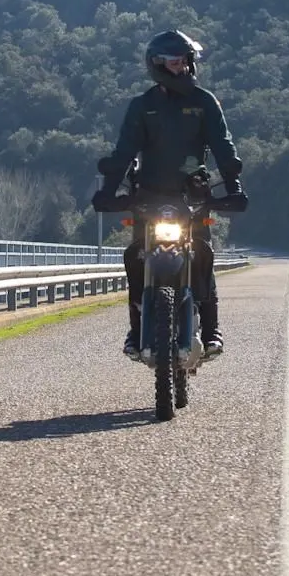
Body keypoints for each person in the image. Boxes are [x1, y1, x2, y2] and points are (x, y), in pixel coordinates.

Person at [91, 30, 245, 359]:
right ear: (158, 65)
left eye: (186, 61)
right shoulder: (142, 107)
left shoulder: (204, 102)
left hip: (192, 196)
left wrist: (234, 187)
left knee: (202, 253)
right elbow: (123, 153)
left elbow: (223, 146)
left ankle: (212, 329)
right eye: (176, 63)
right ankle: (136, 330)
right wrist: (107, 192)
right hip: (148, 197)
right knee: (134, 256)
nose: (184, 68)